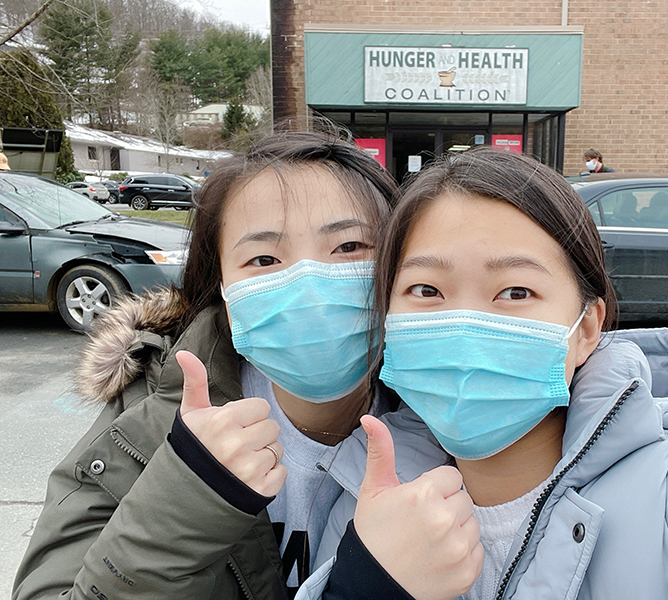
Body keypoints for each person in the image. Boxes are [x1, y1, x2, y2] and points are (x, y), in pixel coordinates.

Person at [297, 148, 668, 600]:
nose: (468, 324)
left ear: (587, 329)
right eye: (426, 290)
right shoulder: (363, 499)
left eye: (516, 292)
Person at [13, 127, 397, 600]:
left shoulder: (451, 423)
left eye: (350, 247)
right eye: (263, 258)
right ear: (221, 285)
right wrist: (189, 493)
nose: (309, 283)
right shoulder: (148, 417)